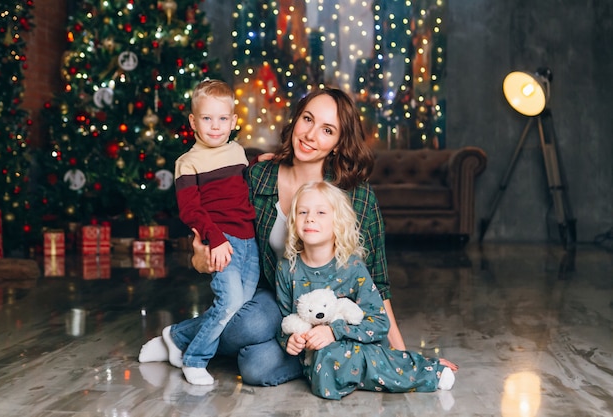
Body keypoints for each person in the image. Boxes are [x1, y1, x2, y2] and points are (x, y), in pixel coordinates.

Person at [151, 87, 406, 386]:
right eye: (307, 119)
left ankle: (191, 340)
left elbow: (379, 283)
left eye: (327, 130)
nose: (311, 135)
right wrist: (200, 259)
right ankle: (183, 339)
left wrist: (400, 357)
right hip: (275, 299)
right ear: (296, 119)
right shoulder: (258, 176)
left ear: (338, 143)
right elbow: (217, 228)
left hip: (330, 311)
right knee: (253, 335)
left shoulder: (356, 196)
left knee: (258, 365)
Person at [276, 181, 456, 400]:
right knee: (325, 370)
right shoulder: (288, 268)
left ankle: (426, 371)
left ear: (338, 223)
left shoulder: (352, 267)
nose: (310, 218)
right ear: (294, 220)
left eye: (321, 212)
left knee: (339, 360)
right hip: (317, 359)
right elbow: (287, 321)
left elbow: (379, 324)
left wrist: (334, 331)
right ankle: (364, 371)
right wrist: (291, 340)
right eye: (302, 212)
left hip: (359, 347)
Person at [139, 79, 259, 386]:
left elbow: (239, 185)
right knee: (229, 301)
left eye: (222, 119)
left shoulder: (237, 151)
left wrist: (261, 161)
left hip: (250, 242)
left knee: (239, 308)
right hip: (222, 241)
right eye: (207, 118)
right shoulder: (188, 162)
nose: (215, 127)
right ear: (193, 121)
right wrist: (214, 238)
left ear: (233, 121)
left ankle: (176, 336)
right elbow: (190, 210)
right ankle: (195, 359)